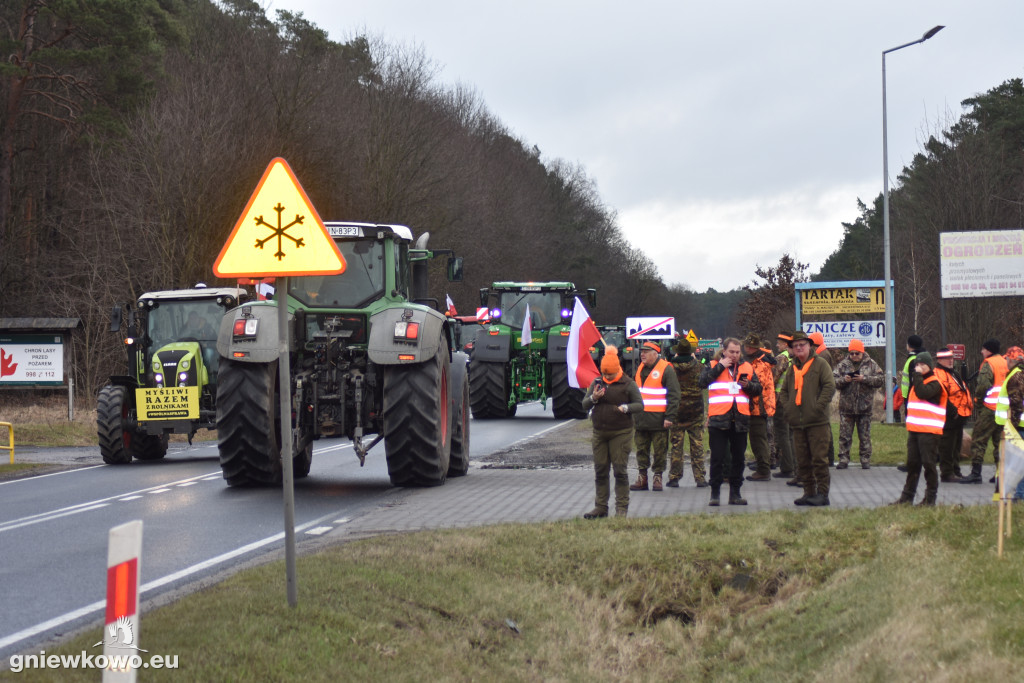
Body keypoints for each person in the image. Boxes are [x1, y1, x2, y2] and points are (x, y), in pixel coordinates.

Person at [581, 346, 643, 518]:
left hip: (621, 433)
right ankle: (600, 507)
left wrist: (626, 408)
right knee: (600, 469)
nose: (607, 377)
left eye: (610, 374)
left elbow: (640, 405)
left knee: (619, 470)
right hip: (600, 433)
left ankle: (621, 508)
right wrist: (594, 398)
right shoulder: (597, 382)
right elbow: (584, 404)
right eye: (605, 374)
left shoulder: (628, 384)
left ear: (617, 369)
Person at [699, 337, 761, 506]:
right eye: (731, 352)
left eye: (737, 352)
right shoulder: (713, 365)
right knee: (717, 458)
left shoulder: (747, 367)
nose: (735, 355)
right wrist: (720, 366)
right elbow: (702, 382)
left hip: (740, 420)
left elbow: (758, 389)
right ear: (724, 351)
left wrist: (748, 385)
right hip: (718, 420)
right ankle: (715, 493)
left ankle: (735, 493)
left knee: (738, 459)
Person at [779, 330, 836, 506]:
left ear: (809, 345)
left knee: (819, 459)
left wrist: (818, 408)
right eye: (795, 346)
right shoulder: (792, 368)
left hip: (817, 422)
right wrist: (788, 409)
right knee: (803, 460)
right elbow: (784, 391)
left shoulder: (820, 365)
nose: (798, 348)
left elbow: (829, 386)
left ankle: (823, 494)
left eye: (802, 345)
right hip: (798, 422)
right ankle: (808, 493)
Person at [893, 352, 946, 506]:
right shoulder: (918, 382)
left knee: (929, 464)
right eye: (916, 365)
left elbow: (923, 393)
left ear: (929, 366)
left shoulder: (934, 382)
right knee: (913, 464)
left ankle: (930, 499)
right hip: (915, 431)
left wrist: (916, 376)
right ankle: (907, 497)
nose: (918, 367)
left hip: (930, 432)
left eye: (922, 364)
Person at [630, 341, 681, 492]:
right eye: (642, 351)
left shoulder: (666, 369)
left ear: (655, 354)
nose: (642, 354)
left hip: (659, 421)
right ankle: (642, 478)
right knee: (641, 450)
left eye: (646, 351)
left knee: (660, 451)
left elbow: (674, 395)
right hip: (641, 420)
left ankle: (657, 477)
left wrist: (669, 417)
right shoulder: (640, 369)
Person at [962, 338, 1007, 484]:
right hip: (1003, 409)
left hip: (989, 409)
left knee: (979, 439)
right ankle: (1001, 474)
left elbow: (982, 386)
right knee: (999, 442)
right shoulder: (1005, 362)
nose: (981, 351)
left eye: (983, 349)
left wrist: (979, 402)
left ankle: (976, 474)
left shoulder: (989, 364)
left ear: (989, 350)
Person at [833, 339, 883, 469]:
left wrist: (864, 379)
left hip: (864, 407)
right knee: (844, 436)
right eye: (852, 353)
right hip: (847, 407)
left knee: (865, 436)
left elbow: (880, 380)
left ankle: (865, 459)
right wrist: (844, 380)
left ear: (862, 352)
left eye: (857, 353)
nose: (854, 356)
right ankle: (843, 459)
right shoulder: (842, 365)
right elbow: (832, 381)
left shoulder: (872, 364)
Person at [666, 338, 708, 488]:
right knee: (697, 445)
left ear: (677, 352)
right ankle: (700, 477)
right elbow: (705, 382)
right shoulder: (699, 367)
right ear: (691, 352)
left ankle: (674, 477)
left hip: (677, 410)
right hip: (696, 410)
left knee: (676, 445)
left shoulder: (670, 367)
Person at [933, 347, 973, 482]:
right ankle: (947, 473)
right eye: (947, 358)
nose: (951, 360)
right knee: (947, 448)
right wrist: (953, 412)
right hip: (949, 418)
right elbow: (940, 395)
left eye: (951, 358)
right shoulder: (939, 374)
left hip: (958, 417)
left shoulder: (952, 373)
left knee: (956, 447)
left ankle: (956, 471)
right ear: (940, 360)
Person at [741, 333, 776, 482]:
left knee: (758, 439)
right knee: (757, 438)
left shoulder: (759, 363)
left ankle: (763, 470)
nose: (745, 348)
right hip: (757, 406)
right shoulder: (759, 360)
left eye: (748, 346)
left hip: (758, 406)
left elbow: (758, 386)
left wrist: (746, 384)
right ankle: (763, 467)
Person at [771, 333, 797, 482]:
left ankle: (787, 468)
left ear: (786, 344)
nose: (777, 346)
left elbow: (773, 379)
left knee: (782, 434)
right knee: (791, 434)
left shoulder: (782, 358)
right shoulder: (794, 358)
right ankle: (794, 464)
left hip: (780, 400)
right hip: (791, 400)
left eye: (779, 343)